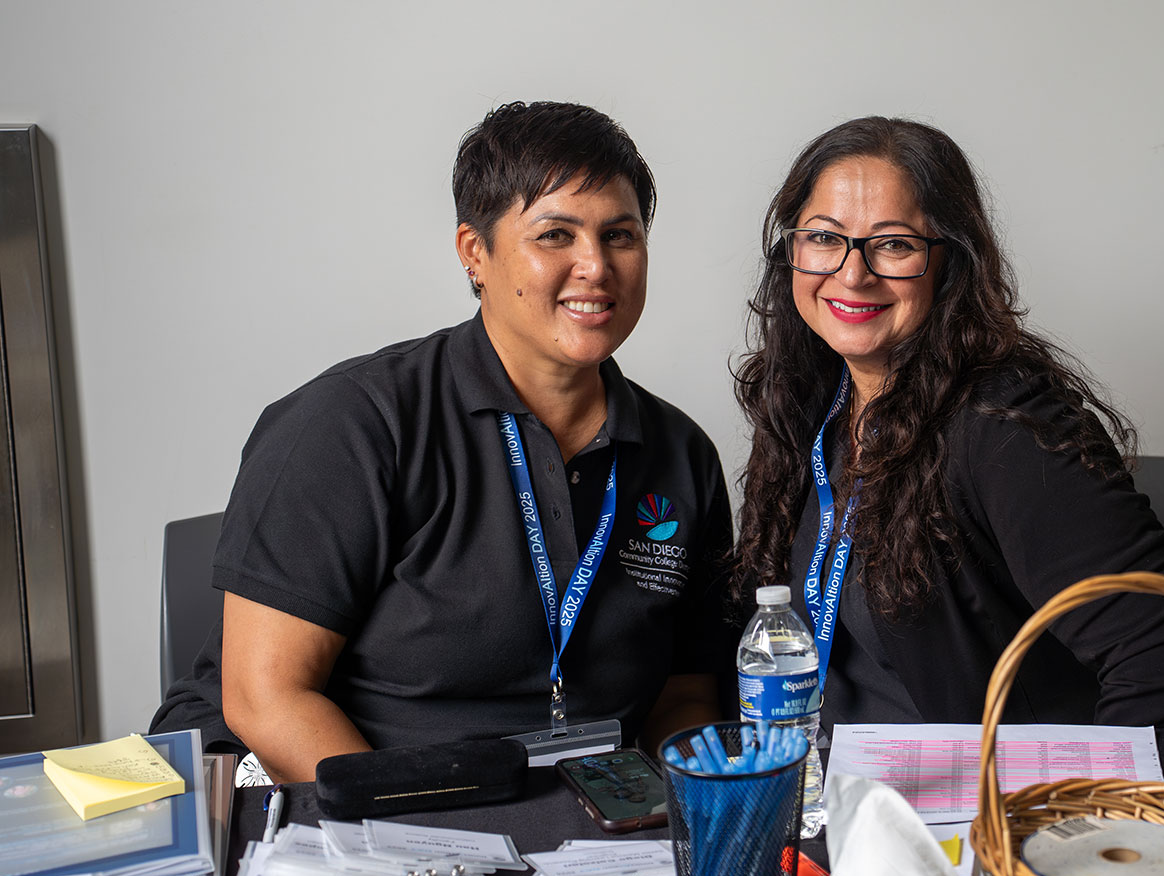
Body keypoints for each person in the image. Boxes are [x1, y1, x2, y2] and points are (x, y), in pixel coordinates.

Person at [153, 102, 734, 782]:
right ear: (475, 253)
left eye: (621, 235)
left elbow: (685, 692)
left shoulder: (681, 453)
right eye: (555, 235)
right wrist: (407, 829)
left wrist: (689, 802)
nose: (595, 266)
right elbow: (267, 696)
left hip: (576, 814)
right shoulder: (352, 423)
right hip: (341, 795)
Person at [733, 117, 1164, 728]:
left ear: (951, 264)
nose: (853, 272)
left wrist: (1061, 818)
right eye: (825, 237)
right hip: (833, 792)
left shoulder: (1002, 424)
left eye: (894, 244)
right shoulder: (808, 400)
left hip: (970, 807)